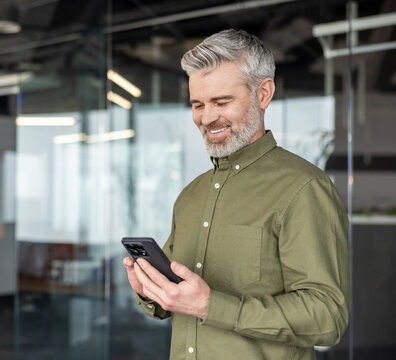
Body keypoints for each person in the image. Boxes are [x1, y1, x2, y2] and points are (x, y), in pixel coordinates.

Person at [123, 29, 349, 360]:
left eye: (222, 101)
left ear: (263, 93)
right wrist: (152, 292)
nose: (206, 117)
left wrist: (212, 306)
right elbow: (178, 297)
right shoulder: (191, 195)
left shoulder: (304, 188)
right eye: (197, 104)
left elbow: (328, 316)